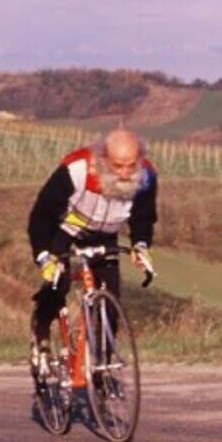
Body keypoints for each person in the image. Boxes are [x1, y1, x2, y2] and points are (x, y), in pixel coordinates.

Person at [27, 128, 158, 373]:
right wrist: (44, 256)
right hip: (68, 227)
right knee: (58, 281)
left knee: (110, 300)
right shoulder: (76, 169)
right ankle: (42, 332)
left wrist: (140, 245)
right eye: (118, 166)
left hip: (105, 232)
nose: (125, 173)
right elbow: (41, 215)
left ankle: (102, 370)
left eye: (131, 165)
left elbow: (144, 216)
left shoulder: (146, 176)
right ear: (103, 159)